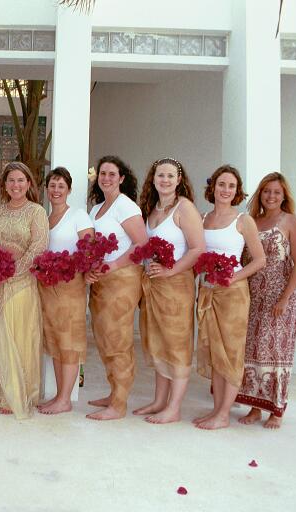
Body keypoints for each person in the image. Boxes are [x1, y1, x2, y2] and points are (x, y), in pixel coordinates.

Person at [0, 161, 49, 419]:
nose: (16, 185)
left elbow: (39, 246)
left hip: (20, 283)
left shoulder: (36, 211)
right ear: (4, 184)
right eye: (11, 180)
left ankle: (16, 393)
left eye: (21, 180)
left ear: (29, 184)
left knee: (16, 336)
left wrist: (13, 272)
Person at [194, 165, 266, 430]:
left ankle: (224, 414)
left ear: (237, 191)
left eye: (231, 186)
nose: (226, 190)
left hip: (233, 293)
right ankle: (216, 410)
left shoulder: (243, 221)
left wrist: (233, 277)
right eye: (221, 184)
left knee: (231, 352)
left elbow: (259, 260)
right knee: (215, 351)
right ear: (212, 187)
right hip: (207, 292)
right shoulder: (202, 218)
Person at [134, 157, 204, 424]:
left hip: (176, 285)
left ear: (179, 180)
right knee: (158, 343)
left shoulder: (184, 208)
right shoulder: (152, 209)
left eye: (170, 176)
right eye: (160, 175)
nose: (165, 180)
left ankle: (173, 408)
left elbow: (197, 249)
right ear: (153, 179)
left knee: (176, 345)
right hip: (154, 285)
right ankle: (159, 401)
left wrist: (170, 270)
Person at [236, 172, 296, 429]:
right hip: (253, 295)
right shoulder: (252, 221)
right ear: (260, 194)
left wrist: (285, 298)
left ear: (284, 195)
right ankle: (255, 407)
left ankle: (276, 410)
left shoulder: (292, 221)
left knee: (276, 353)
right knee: (253, 351)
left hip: (279, 296)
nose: (271, 196)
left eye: (277, 192)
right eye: (266, 191)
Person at [85, 156, 147, 421]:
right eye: (103, 173)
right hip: (102, 280)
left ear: (122, 178)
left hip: (122, 279)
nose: (106, 178)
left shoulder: (126, 206)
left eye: (112, 174)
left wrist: (113, 265)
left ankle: (119, 404)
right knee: (104, 338)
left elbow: (141, 244)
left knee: (118, 340)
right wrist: (92, 268)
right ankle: (114, 393)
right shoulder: (97, 208)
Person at [36, 167, 93, 415]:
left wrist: (70, 268)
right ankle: (60, 396)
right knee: (56, 341)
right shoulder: (45, 218)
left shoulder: (78, 216)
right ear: (46, 189)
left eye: (61, 186)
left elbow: (89, 250)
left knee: (69, 342)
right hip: (48, 288)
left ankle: (65, 399)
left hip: (70, 287)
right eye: (52, 185)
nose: (56, 190)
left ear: (69, 189)